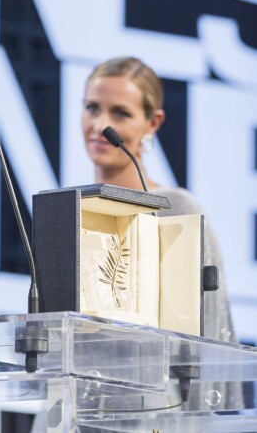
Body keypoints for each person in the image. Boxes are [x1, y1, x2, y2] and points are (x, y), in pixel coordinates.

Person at [81, 56, 235, 344]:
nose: (100, 124)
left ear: (153, 122)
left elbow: (212, 330)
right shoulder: (68, 211)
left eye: (120, 113)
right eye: (92, 108)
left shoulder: (176, 210)